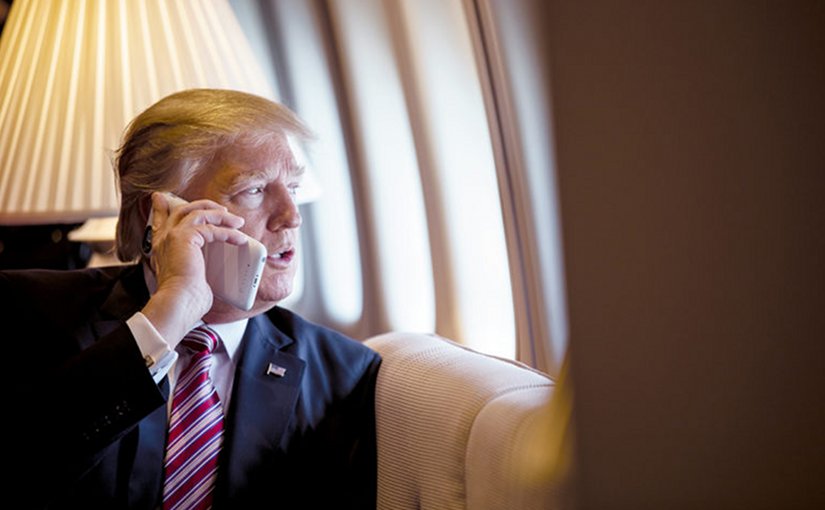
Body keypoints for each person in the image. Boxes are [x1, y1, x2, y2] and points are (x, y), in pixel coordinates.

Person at [3, 88, 381, 509]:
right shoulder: (28, 309)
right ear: (160, 214)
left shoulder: (344, 372)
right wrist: (172, 313)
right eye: (254, 190)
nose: (291, 215)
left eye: (293, 186)